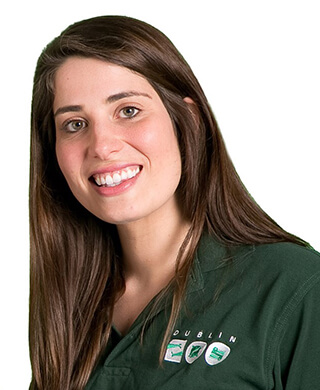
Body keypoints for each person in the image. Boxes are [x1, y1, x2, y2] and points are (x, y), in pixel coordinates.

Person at [29, 15, 320, 390]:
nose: (101, 145)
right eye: (74, 124)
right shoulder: (71, 305)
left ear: (189, 121)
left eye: (128, 111)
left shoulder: (294, 286)